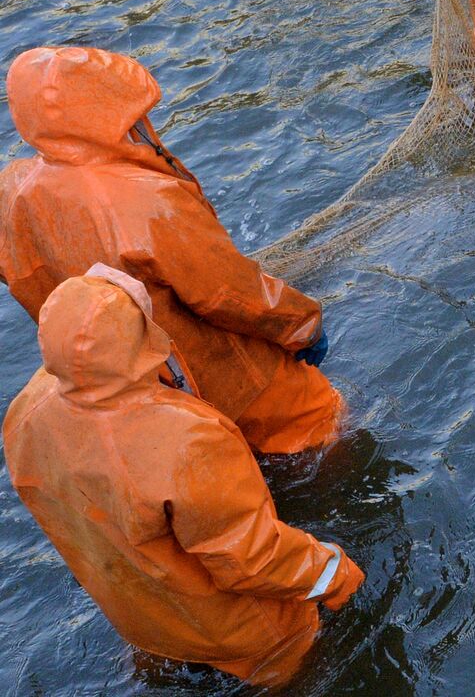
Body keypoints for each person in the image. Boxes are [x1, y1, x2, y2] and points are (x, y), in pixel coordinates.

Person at [3, 266, 364, 686]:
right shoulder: (187, 439)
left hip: (148, 626)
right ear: (138, 337)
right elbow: (252, 558)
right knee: (311, 675)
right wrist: (336, 574)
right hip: (249, 635)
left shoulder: (24, 416)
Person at [0, 46, 340, 454]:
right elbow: (227, 292)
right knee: (323, 427)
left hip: (139, 395)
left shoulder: (12, 193)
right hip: (235, 377)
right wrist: (303, 326)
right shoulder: (147, 201)